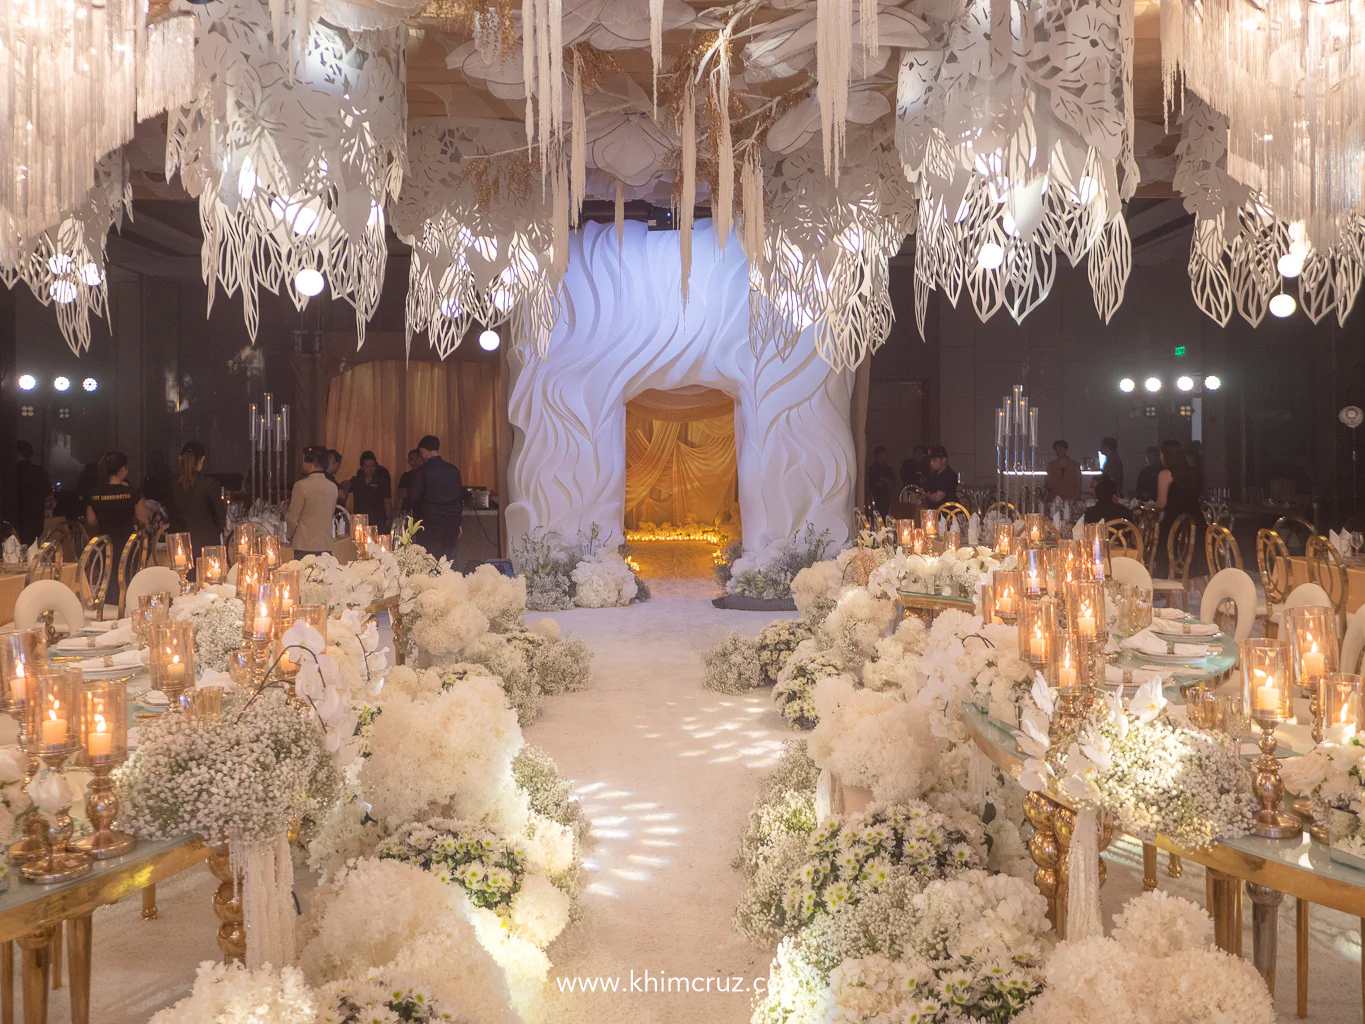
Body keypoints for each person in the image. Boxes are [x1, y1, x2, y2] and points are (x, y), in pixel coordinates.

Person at [86, 452, 149, 608]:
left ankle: (107, 608)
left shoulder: (94, 493)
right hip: (127, 546)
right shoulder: (131, 493)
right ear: (122, 470)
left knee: (106, 581)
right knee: (126, 580)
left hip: (103, 547)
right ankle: (126, 607)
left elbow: (91, 521)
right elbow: (144, 518)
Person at [408, 434, 465, 564]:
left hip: (429, 525)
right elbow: (459, 497)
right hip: (452, 523)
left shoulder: (422, 472)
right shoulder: (453, 470)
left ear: (423, 451)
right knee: (450, 562)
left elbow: (414, 497)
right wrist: (458, 522)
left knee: (431, 563)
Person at [1154, 438, 1207, 578]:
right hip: (1195, 522)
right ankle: (1208, 596)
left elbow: (1162, 503)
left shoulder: (1165, 474)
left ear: (1165, 455)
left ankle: (1168, 595)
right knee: (1195, 567)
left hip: (1174, 524)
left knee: (1167, 560)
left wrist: (1149, 505)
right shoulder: (1191, 472)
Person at [168, 441, 227, 557]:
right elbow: (220, 515)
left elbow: (171, 514)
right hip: (207, 544)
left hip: (181, 546)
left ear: (180, 459)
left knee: (183, 575)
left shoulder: (172, 485)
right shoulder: (209, 484)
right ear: (202, 460)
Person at [286, 446, 340, 557]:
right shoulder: (333, 487)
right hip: (325, 544)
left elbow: (293, 518)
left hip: (304, 545)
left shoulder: (301, 486)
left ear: (310, 462)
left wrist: (289, 535)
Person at [14, 441, 51, 545]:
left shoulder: (12, 472)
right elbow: (48, 494)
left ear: (17, 453)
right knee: (31, 548)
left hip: (17, 519)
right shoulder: (40, 472)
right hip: (36, 518)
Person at [349, 450, 393, 532]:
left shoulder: (382, 481)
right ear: (362, 467)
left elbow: (387, 500)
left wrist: (389, 518)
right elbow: (345, 490)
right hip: (361, 521)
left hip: (378, 521)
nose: (370, 469)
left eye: (373, 466)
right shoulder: (356, 481)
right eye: (367, 467)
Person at [866, 446, 898, 514]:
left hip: (888, 497)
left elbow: (894, 481)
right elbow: (873, 483)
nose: (885, 456)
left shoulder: (888, 468)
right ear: (878, 455)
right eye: (883, 454)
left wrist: (886, 480)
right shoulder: (873, 469)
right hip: (877, 497)